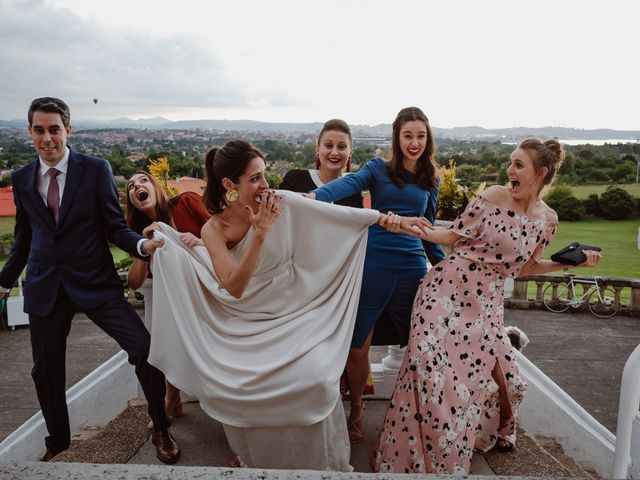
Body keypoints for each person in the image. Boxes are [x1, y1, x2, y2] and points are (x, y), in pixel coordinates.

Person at [144, 140, 426, 470]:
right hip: (243, 318)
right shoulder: (214, 228)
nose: (265, 186)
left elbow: (336, 215)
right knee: (235, 384)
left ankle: (317, 462)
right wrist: (260, 234)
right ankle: (255, 457)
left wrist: (387, 220)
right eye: (254, 179)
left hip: (293, 309)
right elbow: (234, 287)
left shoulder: (280, 202)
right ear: (229, 185)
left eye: (264, 176)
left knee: (318, 378)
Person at [371, 138, 602, 474]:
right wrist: (413, 227)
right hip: (444, 291)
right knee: (427, 370)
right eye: (510, 162)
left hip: (485, 305)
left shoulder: (547, 220)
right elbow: (453, 238)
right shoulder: (493, 196)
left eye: (518, 164)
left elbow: (525, 267)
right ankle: (415, 458)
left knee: (504, 381)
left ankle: (491, 430)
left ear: (541, 173)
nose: (510, 170)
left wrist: (569, 264)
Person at [0, 97, 180, 464]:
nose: (47, 138)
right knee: (45, 372)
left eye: (54, 129)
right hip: (45, 285)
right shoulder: (21, 178)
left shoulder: (95, 169)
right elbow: (23, 238)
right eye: (39, 130)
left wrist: (142, 244)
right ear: (30, 132)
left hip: (95, 284)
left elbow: (115, 228)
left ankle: (160, 426)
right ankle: (59, 442)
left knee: (145, 350)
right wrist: (4, 282)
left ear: (69, 130)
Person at [308, 107, 445, 443]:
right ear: (397, 138)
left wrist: (443, 269)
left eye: (420, 136)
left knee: (420, 344)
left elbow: (428, 230)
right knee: (359, 345)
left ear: (428, 140)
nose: (414, 142)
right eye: (408, 135)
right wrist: (310, 198)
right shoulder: (377, 169)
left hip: (413, 268)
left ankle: (414, 412)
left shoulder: (432, 179)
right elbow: (345, 186)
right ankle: (356, 407)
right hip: (374, 264)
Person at [125, 171, 210, 422]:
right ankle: (171, 398)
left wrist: (198, 240)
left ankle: (175, 398)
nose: (137, 186)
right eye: (131, 186)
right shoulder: (139, 232)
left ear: (156, 187)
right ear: (132, 201)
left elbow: (223, 238)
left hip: (208, 289)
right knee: (169, 337)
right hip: (176, 298)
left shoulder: (186, 203)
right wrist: (145, 246)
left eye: (143, 180)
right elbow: (134, 282)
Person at [279, 118, 362, 208]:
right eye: (328, 146)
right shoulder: (295, 180)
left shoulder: (353, 189)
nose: (334, 152)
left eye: (341, 147)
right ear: (317, 149)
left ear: (350, 153)